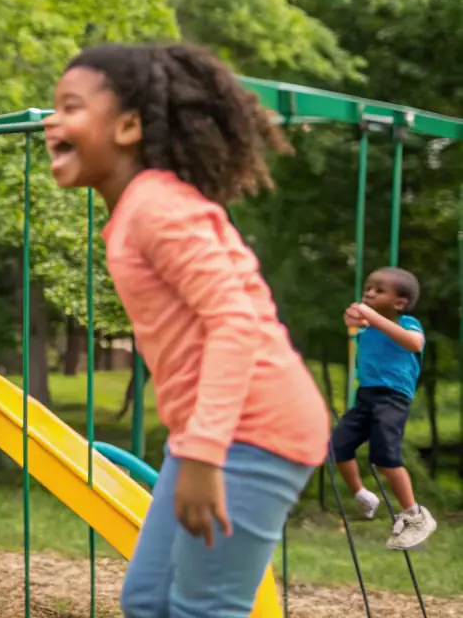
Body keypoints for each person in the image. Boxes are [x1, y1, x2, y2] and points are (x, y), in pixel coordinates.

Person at [43, 43, 330, 618]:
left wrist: (202, 453)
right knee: (149, 600)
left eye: (71, 107)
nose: (53, 120)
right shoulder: (138, 209)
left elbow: (234, 319)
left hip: (251, 429)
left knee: (204, 607)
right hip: (211, 432)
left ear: (128, 126)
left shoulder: (156, 208)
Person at [333, 266, 436, 549]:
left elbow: (414, 344)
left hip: (393, 396)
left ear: (399, 303)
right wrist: (356, 319)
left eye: (378, 290)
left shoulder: (408, 323)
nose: (368, 292)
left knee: (385, 456)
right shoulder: (368, 326)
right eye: (368, 288)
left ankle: (415, 516)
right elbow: (353, 323)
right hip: (366, 395)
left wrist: (373, 318)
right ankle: (361, 494)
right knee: (336, 446)